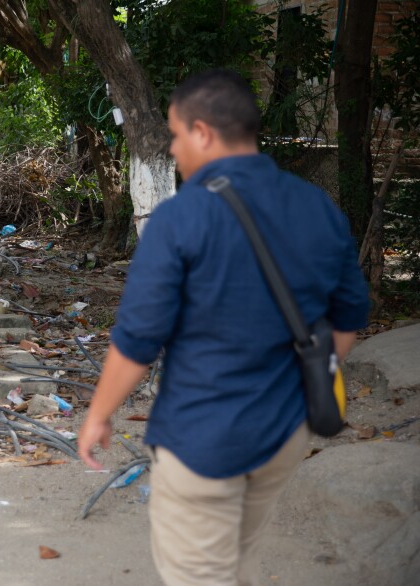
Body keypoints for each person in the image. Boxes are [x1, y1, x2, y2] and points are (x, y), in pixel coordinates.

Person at [78, 69, 369, 586]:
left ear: (203, 132)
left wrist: (99, 414)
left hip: (202, 439)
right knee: (239, 561)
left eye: (175, 134)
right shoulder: (317, 208)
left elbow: (138, 340)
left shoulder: (180, 218)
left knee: (201, 575)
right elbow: (347, 318)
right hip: (286, 432)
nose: (172, 149)